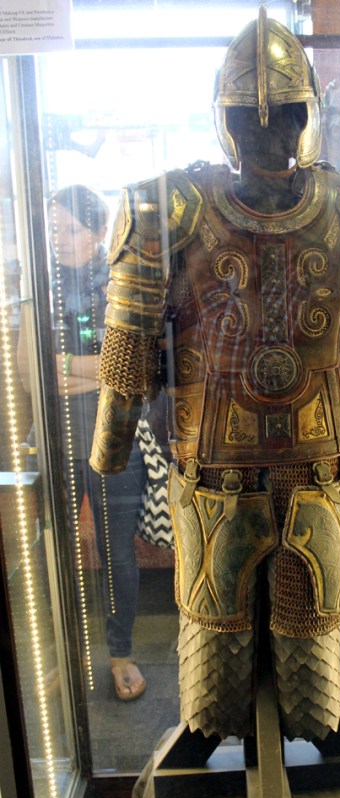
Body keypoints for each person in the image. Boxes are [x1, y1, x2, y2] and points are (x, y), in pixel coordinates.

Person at [90, 9, 340, 747]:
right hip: (212, 478)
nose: (267, 131)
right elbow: (128, 355)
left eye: (282, 115)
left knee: (313, 700)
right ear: (226, 121)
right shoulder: (165, 210)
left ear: (306, 116)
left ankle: (315, 743)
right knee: (212, 698)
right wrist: (111, 445)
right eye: (253, 118)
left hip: (317, 473)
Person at [47, 185, 147, 701]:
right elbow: (33, 374)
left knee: (116, 551)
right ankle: (65, 652)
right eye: (54, 229)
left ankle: (119, 653)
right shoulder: (42, 285)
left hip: (115, 434)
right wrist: (94, 371)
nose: (59, 239)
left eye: (71, 229)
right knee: (55, 547)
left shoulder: (119, 281)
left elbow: (132, 366)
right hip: (60, 434)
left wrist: (66, 367)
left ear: (99, 231)